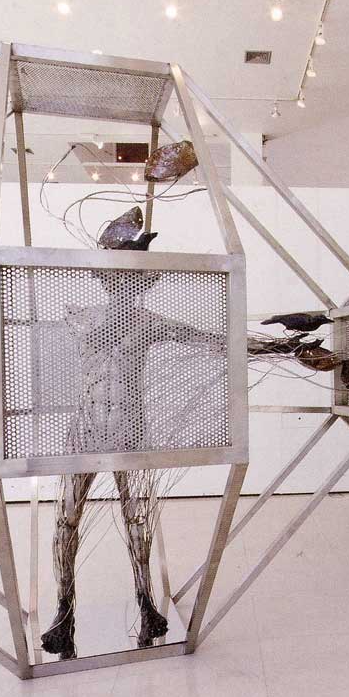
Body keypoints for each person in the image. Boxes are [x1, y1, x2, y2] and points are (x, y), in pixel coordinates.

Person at [40, 269, 224, 660]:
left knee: (138, 520)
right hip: (85, 433)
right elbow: (92, 337)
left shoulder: (147, 322)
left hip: (130, 433)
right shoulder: (82, 316)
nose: (123, 287)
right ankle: (64, 609)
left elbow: (201, 337)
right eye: (117, 280)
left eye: (131, 282)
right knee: (66, 520)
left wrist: (269, 345)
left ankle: (145, 602)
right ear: (107, 282)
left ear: (140, 285)